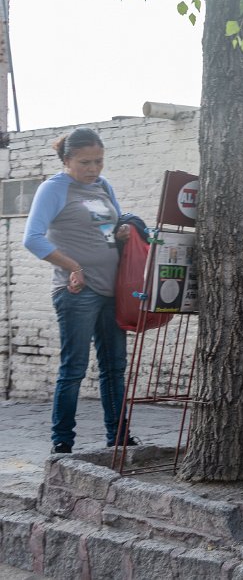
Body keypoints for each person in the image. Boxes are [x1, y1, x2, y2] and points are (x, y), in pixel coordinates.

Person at [23, 127, 136, 454]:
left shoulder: (103, 187)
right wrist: (72, 266)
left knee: (114, 368)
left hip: (111, 290)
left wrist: (121, 232)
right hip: (76, 293)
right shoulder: (53, 189)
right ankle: (63, 442)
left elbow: (107, 231)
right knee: (74, 369)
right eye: (85, 163)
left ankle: (119, 437)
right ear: (67, 160)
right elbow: (33, 239)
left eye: (99, 162)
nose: (93, 169)